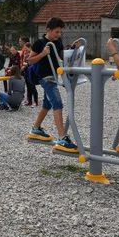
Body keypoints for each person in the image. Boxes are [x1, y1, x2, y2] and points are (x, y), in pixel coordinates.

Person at [27, 17, 79, 152]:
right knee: (57, 103)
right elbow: (30, 60)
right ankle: (62, 137)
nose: (59, 35)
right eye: (57, 32)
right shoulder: (39, 43)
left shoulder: (58, 42)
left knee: (47, 104)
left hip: (55, 76)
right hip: (45, 77)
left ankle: (36, 128)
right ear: (48, 30)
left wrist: (72, 51)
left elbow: (61, 57)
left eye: (60, 32)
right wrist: (43, 54)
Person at [19, 39, 38, 106]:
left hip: (31, 72)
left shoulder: (33, 54)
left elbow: (32, 63)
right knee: (28, 87)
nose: (26, 50)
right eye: (25, 49)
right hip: (26, 72)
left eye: (27, 49)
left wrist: (26, 64)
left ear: (30, 48)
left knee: (32, 87)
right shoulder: (26, 54)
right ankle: (29, 101)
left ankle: (36, 101)